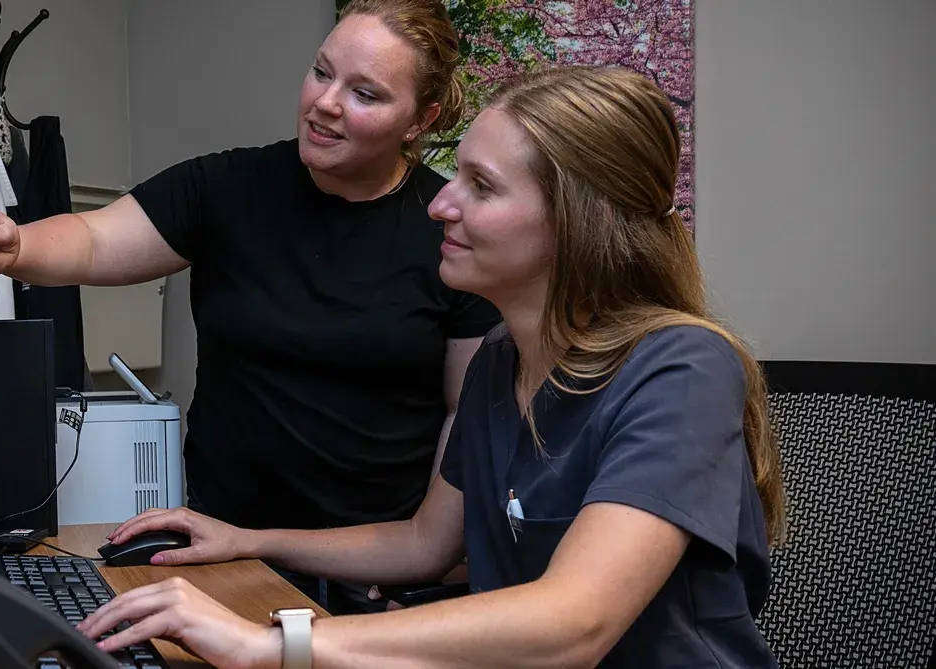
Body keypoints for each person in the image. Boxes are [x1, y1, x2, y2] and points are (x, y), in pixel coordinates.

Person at [76, 65, 789, 668]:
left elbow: (577, 620)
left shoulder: (683, 368)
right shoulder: (500, 362)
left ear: (575, 222)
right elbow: (423, 543)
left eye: (481, 186)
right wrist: (246, 539)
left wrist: (275, 643)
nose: (441, 203)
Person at [0, 0, 501, 613]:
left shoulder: (451, 236)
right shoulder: (228, 188)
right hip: (222, 551)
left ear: (421, 119)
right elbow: (95, 240)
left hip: (370, 573)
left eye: (365, 94)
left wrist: (427, 559)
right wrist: (16, 245)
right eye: (322, 72)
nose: (326, 102)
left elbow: (465, 421)